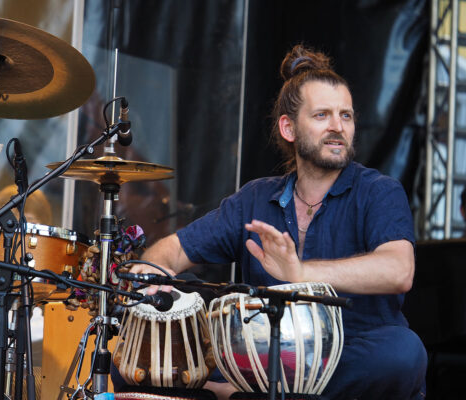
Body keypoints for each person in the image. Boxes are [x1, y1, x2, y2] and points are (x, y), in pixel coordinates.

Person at [127, 44, 427, 400]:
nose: (337, 127)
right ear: (288, 128)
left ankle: (241, 396)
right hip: (263, 357)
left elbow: (398, 270)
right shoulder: (254, 199)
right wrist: (153, 278)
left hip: (352, 353)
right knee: (137, 362)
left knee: (403, 352)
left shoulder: (379, 191)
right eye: (322, 116)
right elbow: (172, 252)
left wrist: (299, 273)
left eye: (346, 116)